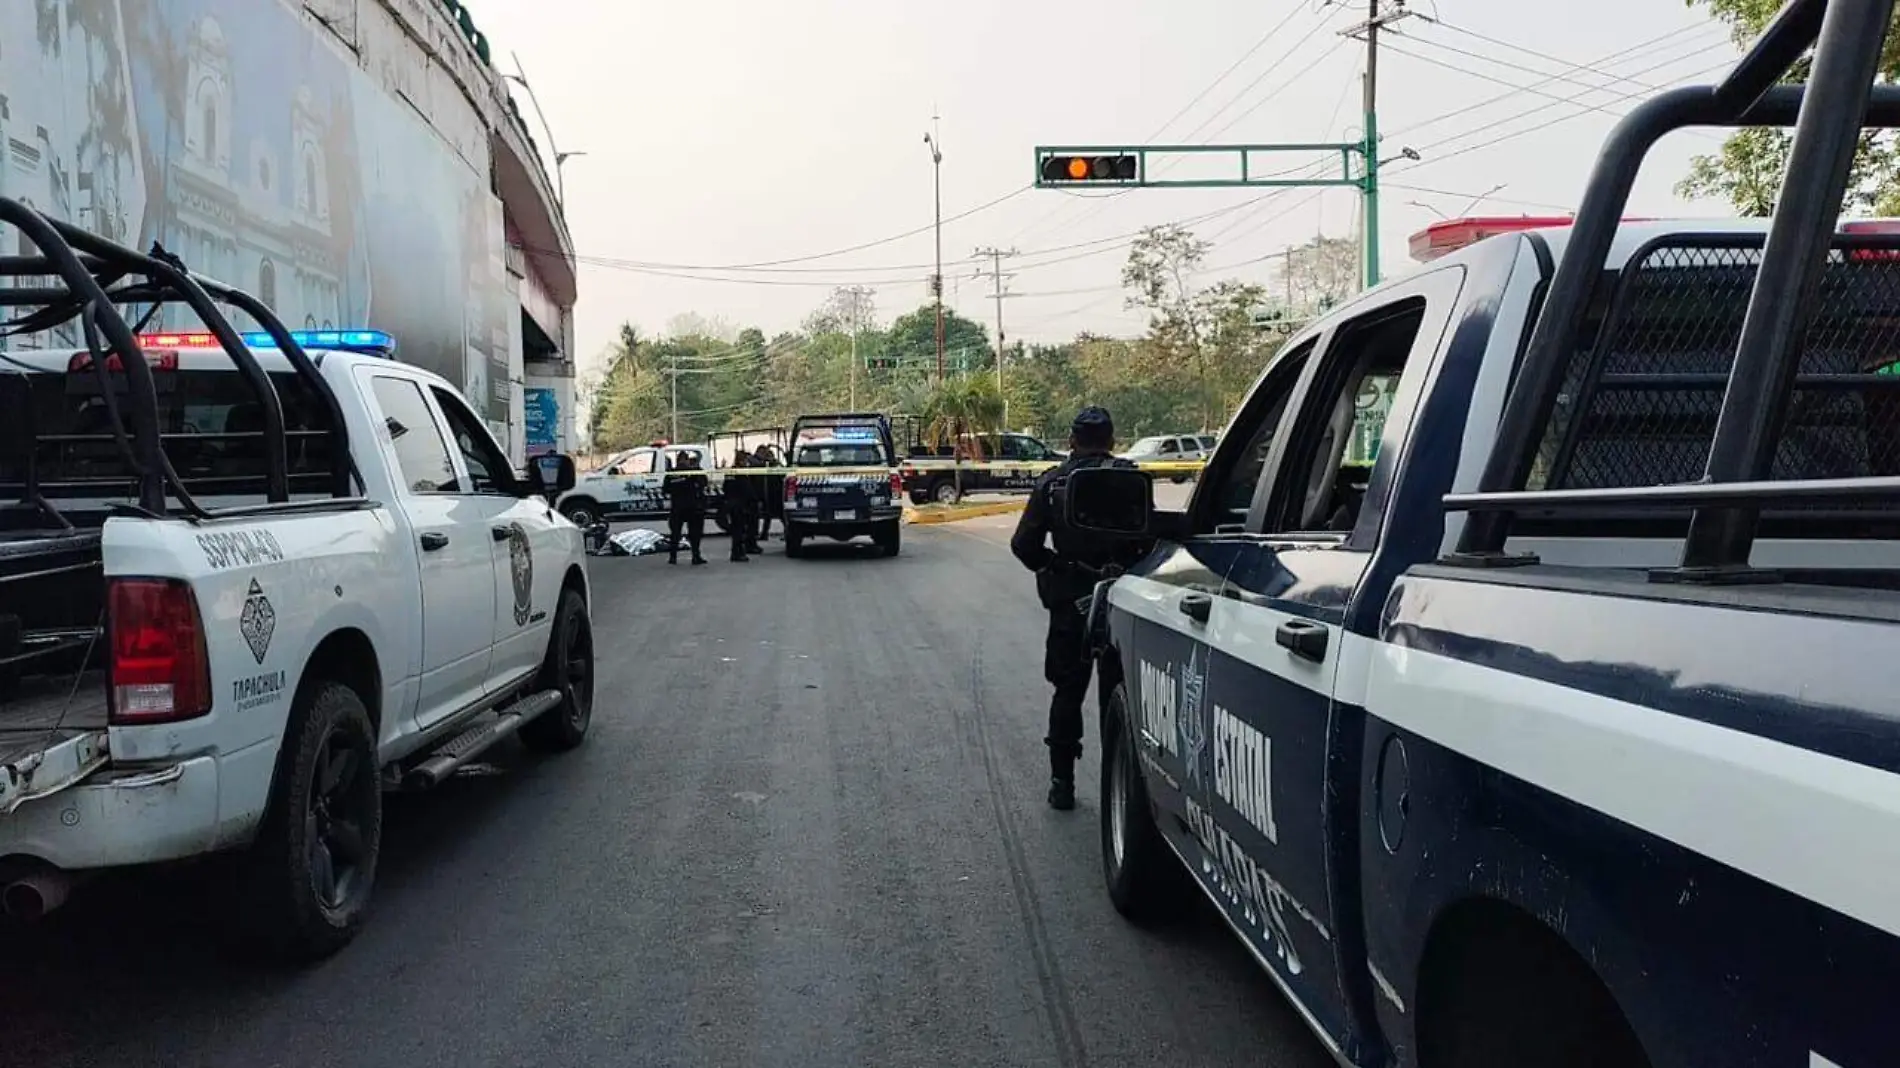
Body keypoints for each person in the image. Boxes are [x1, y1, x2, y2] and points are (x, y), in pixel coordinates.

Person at [1010, 406, 1146, 811]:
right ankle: (1117, 795)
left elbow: (1023, 546)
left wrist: (1057, 566)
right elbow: (1148, 536)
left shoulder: (1052, 483)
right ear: (1111, 440)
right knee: (1117, 698)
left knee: (1068, 691)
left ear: (1071, 441)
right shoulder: (1129, 477)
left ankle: (1062, 783)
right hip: (1120, 600)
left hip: (1071, 602)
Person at [663, 452, 709, 565]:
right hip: (692, 507)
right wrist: (697, 468)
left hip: (678, 507)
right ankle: (695, 556)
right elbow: (703, 482)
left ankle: (673, 557)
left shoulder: (671, 473)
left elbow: (666, 490)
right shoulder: (692, 472)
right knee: (694, 534)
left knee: (675, 533)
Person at [723, 453, 758, 562]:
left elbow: (725, 487)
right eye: (745, 460)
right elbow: (747, 489)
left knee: (736, 530)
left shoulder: (730, 472)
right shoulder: (741, 473)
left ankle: (737, 552)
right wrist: (754, 500)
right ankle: (738, 553)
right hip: (740, 505)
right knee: (740, 530)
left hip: (732, 503)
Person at [753, 443, 784, 542]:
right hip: (768, 494)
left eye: (767, 456)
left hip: (776, 494)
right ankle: (764, 534)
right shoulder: (765, 465)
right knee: (768, 515)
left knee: (780, 515)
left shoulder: (776, 466)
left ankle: (787, 532)